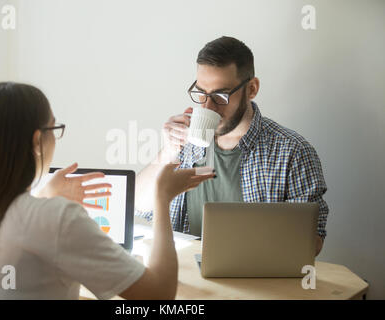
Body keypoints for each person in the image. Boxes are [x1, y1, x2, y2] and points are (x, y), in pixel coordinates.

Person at [0, 82, 215, 299]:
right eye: (54, 127)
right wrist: (162, 198)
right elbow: (158, 295)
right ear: (36, 141)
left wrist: (43, 199)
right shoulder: (56, 219)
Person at [135, 36, 329, 256]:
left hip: (255, 283)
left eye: (220, 95)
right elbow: (140, 206)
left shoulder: (293, 151)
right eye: (201, 93)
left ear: (252, 89)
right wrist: (168, 152)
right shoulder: (185, 144)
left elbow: (312, 243)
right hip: (184, 277)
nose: (209, 107)